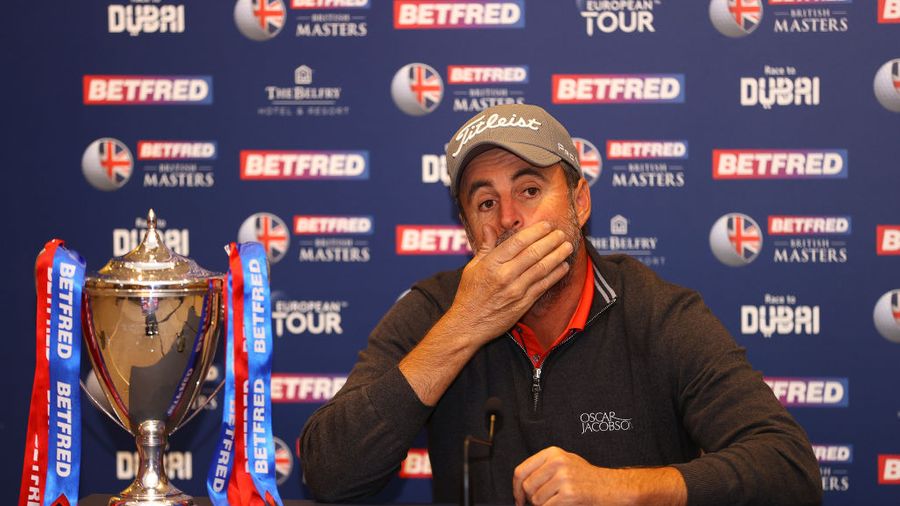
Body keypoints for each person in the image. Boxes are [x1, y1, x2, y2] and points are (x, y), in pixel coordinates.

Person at [299, 104, 822, 506]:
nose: (508, 218)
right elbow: (328, 473)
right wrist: (464, 326)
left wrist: (620, 488)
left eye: (529, 190)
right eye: (486, 202)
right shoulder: (435, 310)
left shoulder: (657, 313)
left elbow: (789, 469)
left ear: (579, 201)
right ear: (469, 232)